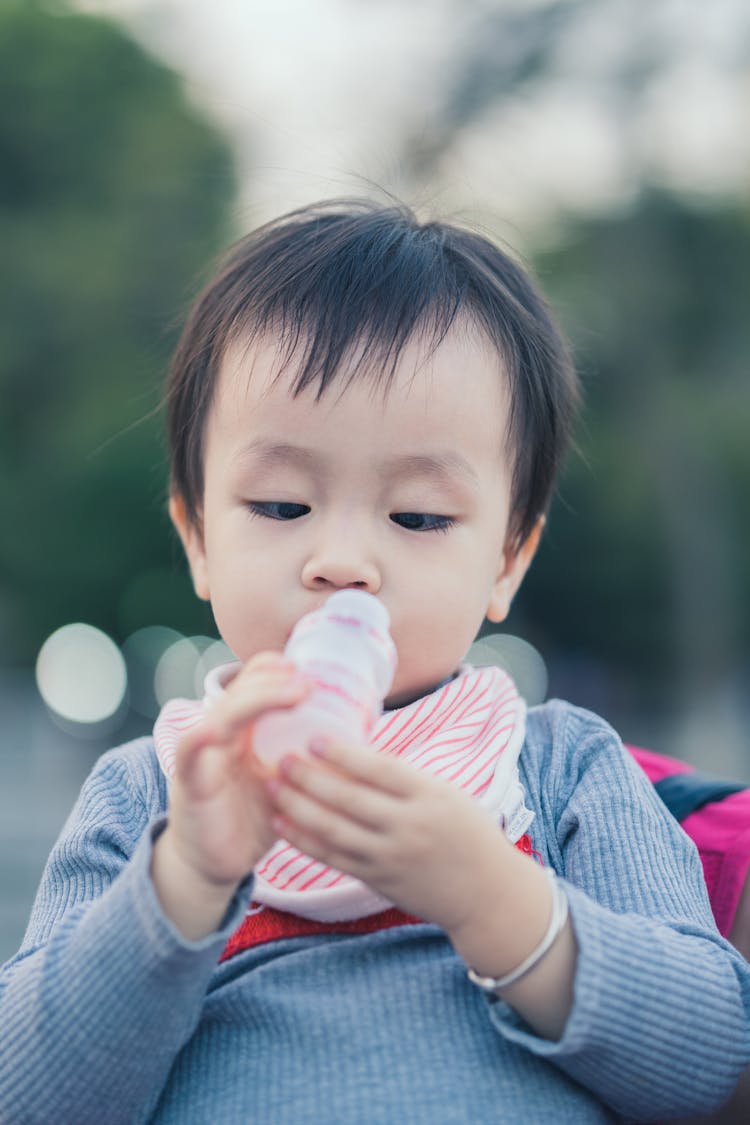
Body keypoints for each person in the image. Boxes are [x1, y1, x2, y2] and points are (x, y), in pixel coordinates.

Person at [1, 200, 748, 1125]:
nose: (344, 560)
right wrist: (185, 881)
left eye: (419, 517)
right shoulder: (152, 790)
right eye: (279, 506)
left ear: (508, 557)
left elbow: (718, 1056)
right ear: (196, 538)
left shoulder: (559, 769)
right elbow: (27, 1096)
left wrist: (490, 894)